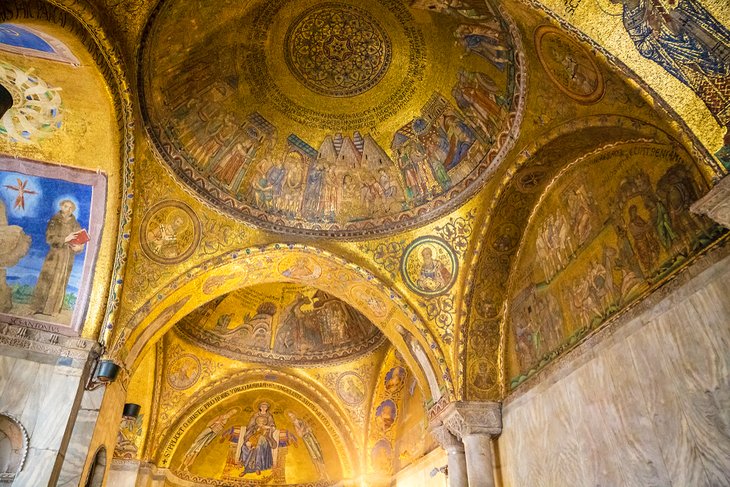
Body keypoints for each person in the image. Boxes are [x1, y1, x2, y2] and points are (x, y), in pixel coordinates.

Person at [32, 199, 86, 316]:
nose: (68, 209)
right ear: (61, 206)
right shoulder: (54, 220)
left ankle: (53, 309)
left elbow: (81, 240)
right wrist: (65, 239)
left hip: (67, 257)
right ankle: (38, 307)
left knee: (61, 282)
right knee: (47, 279)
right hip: (54, 255)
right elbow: (49, 238)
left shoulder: (75, 223)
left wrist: (79, 247)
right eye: (66, 206)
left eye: (71, 208)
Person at [240, 401, 277, 475]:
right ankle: (245, 466)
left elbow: (273, 426)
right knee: (245, 446)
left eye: (265, 407)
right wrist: (255, 430)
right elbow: (250, 426)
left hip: (265, 435)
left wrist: (267, 427)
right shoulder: (255, 415)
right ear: (260, 407)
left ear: (267, 408)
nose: (264, 408)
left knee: (258, 445)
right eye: (262, 406)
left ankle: (257, 467)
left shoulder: (269, 416)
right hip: (255, 433)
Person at [286, 412, 327, 479]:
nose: (292, 417)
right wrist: (303, 431)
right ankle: (320, 473)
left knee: (318, 454)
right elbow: (300, 434)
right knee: (314, 456)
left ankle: (324, 473)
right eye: (290, 417)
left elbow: (308, 429)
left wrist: (306, 430)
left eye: (292, 415)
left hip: (311, 439)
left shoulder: (301, 421)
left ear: (295, 415)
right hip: (306, 440)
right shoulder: (295, 425)